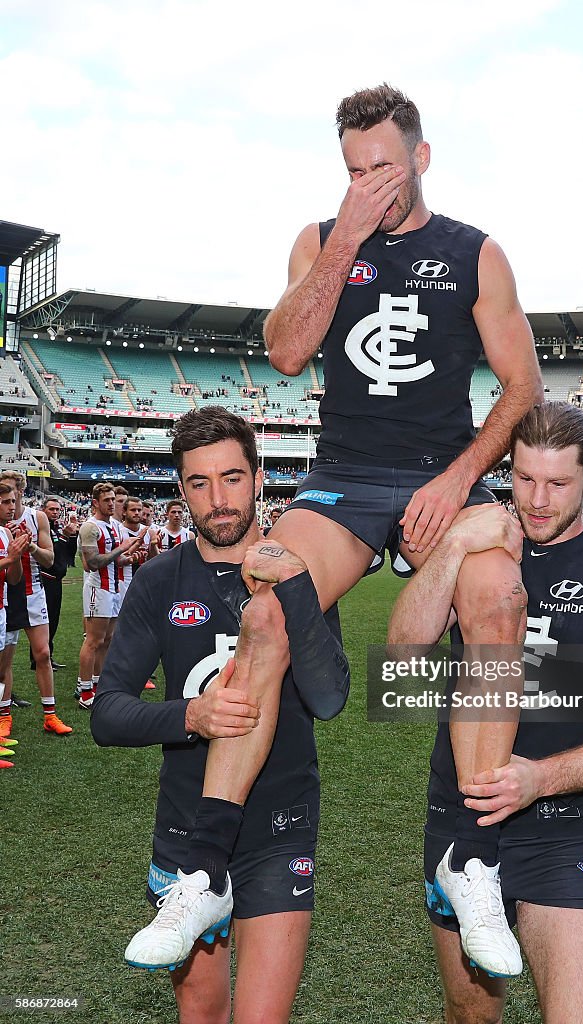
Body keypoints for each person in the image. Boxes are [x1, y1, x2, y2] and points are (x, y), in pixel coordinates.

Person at [126, 84, 543, 976]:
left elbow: (521, 385)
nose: (367, 184)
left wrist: (461, 477)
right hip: (345, 479)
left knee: (499, 593)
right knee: (267, 607)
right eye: (352, 170)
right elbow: (283, 351)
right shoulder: (321, 240)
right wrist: (347, 239)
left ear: (421, 157)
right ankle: (204, 866)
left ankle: (468, 855)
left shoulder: (476, 253)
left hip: (442, 476)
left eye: (382, 168)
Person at [388, 402, 583, 1024]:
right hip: (460, 821)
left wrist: (540, 779)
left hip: (556, 824)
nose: (537, 499)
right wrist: (456, 543)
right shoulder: (477, 552)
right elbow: (404, 657)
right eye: (523, 479)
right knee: (472, 1017)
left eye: (558, 483)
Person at [92, 406, 349, 1022]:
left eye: (232, 478)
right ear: (181, 491)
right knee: (200, 1014)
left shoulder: (297, 570)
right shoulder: (159, 580)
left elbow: (328, 698)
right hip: (185, 828)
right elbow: (108, 713)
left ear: (259, 478)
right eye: (199, 483)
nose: (219, 499)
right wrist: (192, 716)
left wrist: (295, 590)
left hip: (278, 828)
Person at [0, 471, 72, 735]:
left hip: (32, 592)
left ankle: (50, 715)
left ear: (22, 491)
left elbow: (50, 560)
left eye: (17, 491)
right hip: (6, 595)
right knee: (4, 661)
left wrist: (29, 548)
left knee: (43, 653)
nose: (14, 497)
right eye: (8, 493)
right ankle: (4, 715)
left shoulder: (36, 517)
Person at [76, 484, 143, 709]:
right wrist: (121, 548)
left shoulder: (113, 525)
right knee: (93, 641)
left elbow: (115, 559)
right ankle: (85, 691)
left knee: (108, 640)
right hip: (98, 588)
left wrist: (130, 557)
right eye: (106, 500)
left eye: (113, 499)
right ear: (95, 502)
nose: (112, 503)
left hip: (114, 588)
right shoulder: (89, 527)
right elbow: (94, 563)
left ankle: (98, 685)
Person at [0, 481, 33, 743]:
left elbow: (12, 579)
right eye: (5, 502)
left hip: (2, 608)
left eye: (13, 501)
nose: (12, 507)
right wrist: (10, 558)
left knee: (1, 670)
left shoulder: (5, 533)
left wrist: (18, 556)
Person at [35, 497, 79, 670]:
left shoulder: (58, 527)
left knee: (53, 621)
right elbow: (51, 557)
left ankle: (48, 656)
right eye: (51, 509)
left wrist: (72, 534)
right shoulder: (41, 529)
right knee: (44, 622)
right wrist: (63, 536)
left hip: (57, 580)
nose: (55, 512)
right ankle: (39, 658)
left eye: (57, 510)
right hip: (46, 579)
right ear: (43, 510)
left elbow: (69, 554)